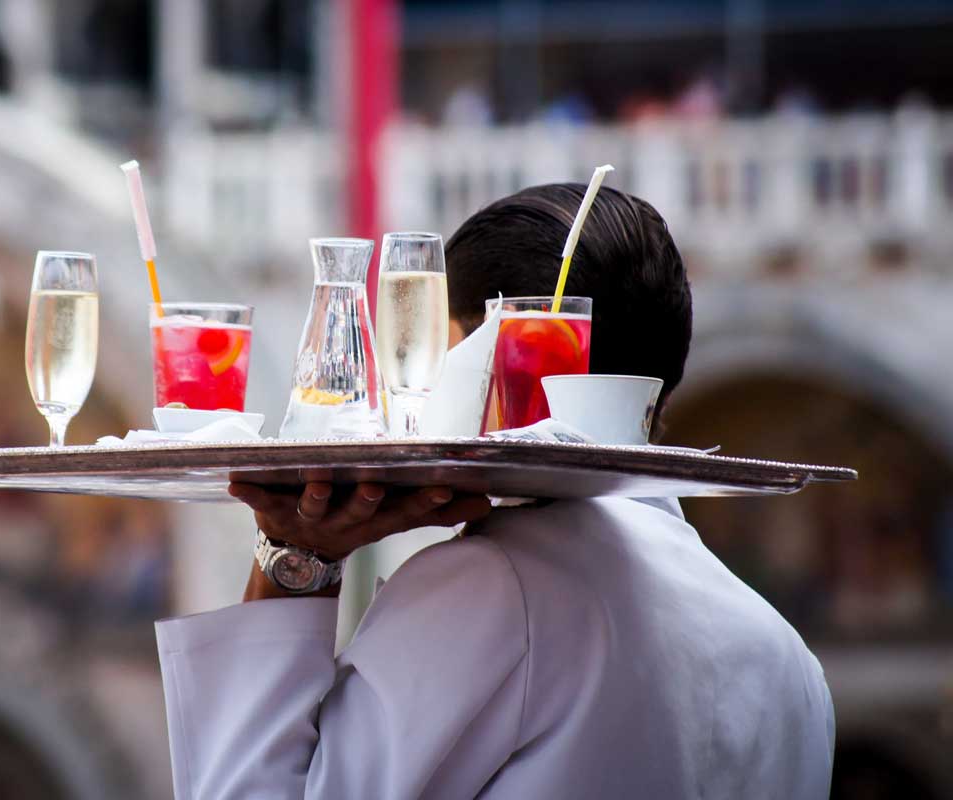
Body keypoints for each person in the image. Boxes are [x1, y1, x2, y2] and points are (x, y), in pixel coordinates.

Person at [154, 184, 835, 799]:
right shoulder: (788, 660)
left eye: (438, 356)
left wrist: (294, 560)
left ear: (495, 361)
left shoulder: (494, 590)